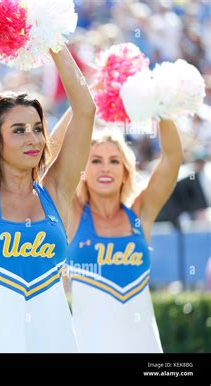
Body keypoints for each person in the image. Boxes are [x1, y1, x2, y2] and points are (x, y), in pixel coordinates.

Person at [0, 45, 96, 352]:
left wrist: (53, 40)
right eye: (19, 130)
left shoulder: (57, 190)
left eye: (38, 129)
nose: (33, 138)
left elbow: (85, 110)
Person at [66, 121, 183, 352]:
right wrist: (83, 107)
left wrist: (162, 103)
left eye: (114, 161)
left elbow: (171, 158)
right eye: (96, 161)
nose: (105, 168)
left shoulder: (140, 214)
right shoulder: (73, 214)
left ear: (125, 171)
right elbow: (55, 162)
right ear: (83, 171)